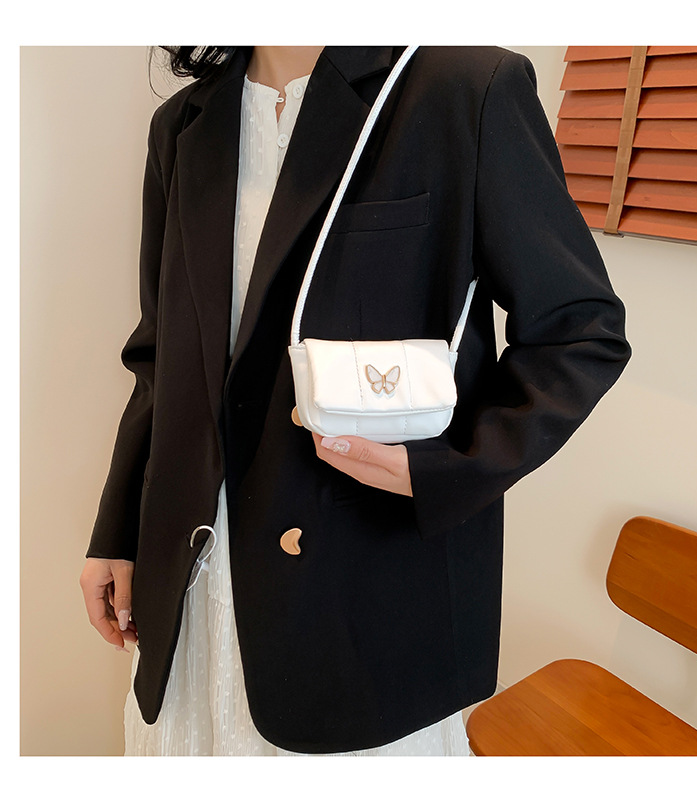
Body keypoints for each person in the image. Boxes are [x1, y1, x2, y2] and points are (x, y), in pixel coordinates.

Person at [79, 45, 631, 756]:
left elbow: (579, 331)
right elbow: (161, 354)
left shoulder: (463, 89)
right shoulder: (184, 124)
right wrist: (118, 529)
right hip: (191, 594)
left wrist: (447, 468)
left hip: (360, 603)